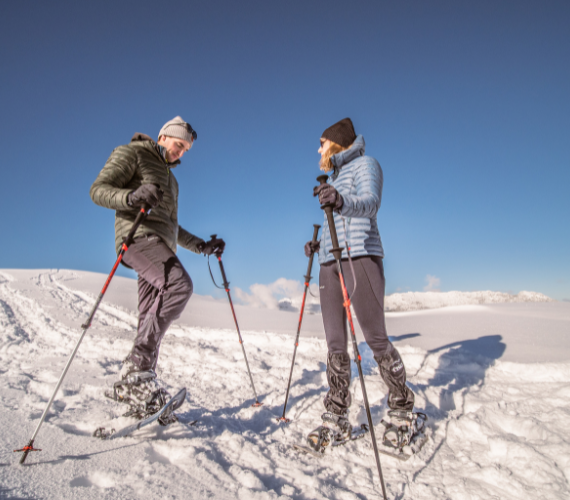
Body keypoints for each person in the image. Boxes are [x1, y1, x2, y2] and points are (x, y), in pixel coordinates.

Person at [90, 116, 225, 419]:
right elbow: (98, 190)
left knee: (150, 312)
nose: (180, 153)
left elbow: (171, 226)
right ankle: (137, 367)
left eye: (185, 150)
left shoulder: (172, 180)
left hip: (160, 245)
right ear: (163, 137)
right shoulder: (132, 153)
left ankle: (139, 386)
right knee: (180, 286)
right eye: (178, 145)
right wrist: (132, 196)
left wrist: (201, 245)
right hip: (137, 238)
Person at [306, 117, 422, 451]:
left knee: (375, 338)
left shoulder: (366, 164)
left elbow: (371, 204)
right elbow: (336, 221)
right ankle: (337, 415)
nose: (319, 149)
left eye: (322, 142)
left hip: (360, 258)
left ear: (337, 142)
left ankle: (402, 409)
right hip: (331, 263)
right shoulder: (334, 176)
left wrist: (340, 201)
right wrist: (320, 245)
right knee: (335, 344)